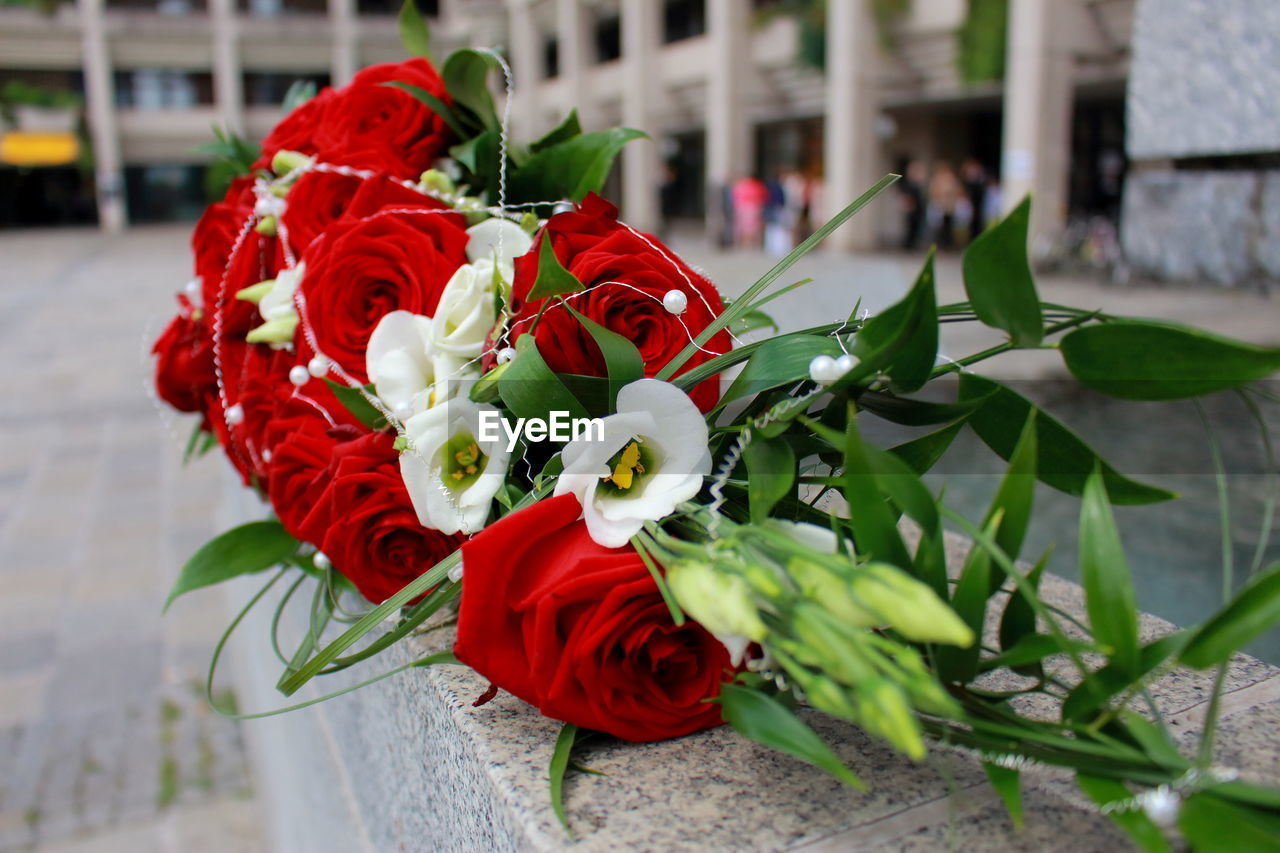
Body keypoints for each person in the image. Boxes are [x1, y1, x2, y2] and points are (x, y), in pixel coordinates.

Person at [928, 161, 963, 250]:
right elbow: (933, 191)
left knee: (948, 225)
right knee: (939, 226)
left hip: (949, 205)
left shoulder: (951, 178)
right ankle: (939, 244)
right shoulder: (937, 178)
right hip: (940, 205)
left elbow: (957, 190)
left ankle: (948, 244)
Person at [731, 174, 769, 249]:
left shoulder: (741, 186)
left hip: (746, 208)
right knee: (749, 227)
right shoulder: (755, 186)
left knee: (747, 227)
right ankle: (748, 243)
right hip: (751, 208)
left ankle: (746, 243)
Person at [898, 160, 926, 250]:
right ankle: (908, 245)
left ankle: (913, 243)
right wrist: (909, 205)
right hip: (912, 208)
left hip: (919, 208)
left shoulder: (918, 183)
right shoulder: (909, 183)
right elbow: (906, 196)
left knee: (917, 226)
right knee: (911, 227)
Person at [960, 157, 988, 240]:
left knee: (978, 223)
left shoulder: (980, 183)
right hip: (970, 206)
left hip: (978, 206)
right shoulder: (968, 184)